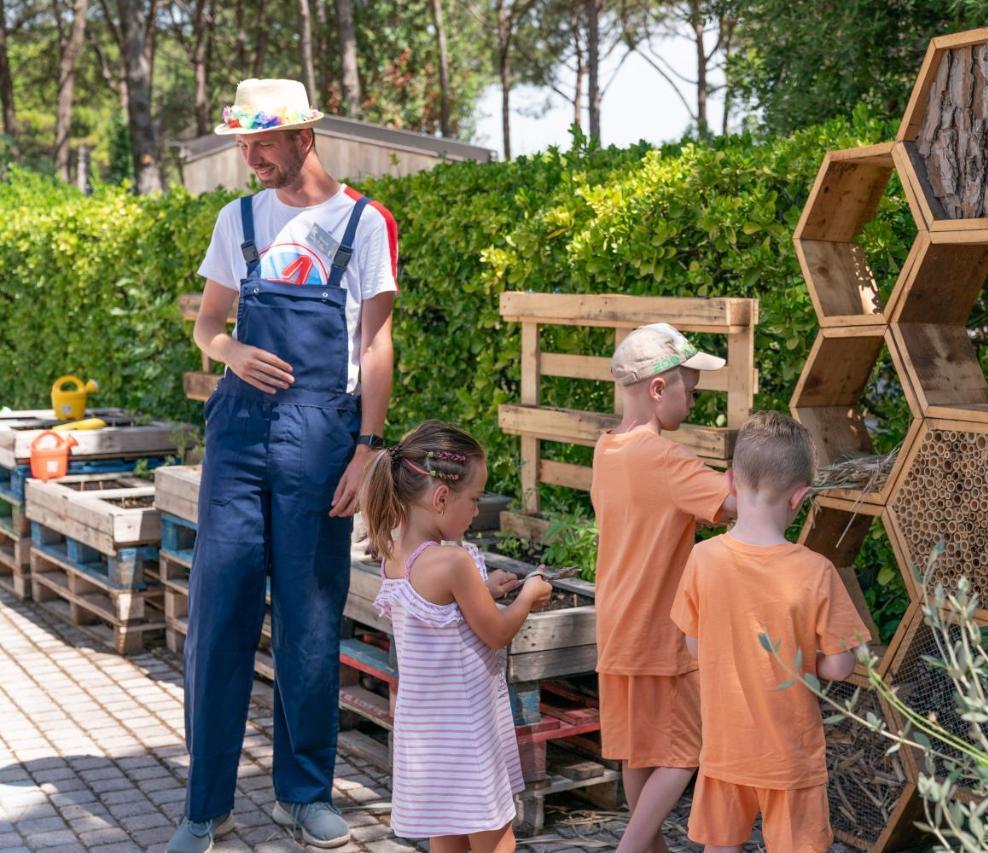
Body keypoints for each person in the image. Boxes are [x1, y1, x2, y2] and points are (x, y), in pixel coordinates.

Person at [170, 78, 401, 852]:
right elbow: (207, 323)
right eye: (243, 143)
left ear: (306, 136)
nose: (251, 157)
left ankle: (303, 794)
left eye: (262, 142)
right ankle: (206, 806)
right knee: (220, 613)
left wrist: (368, 449)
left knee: (308, 622)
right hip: (237, 438)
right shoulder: (235, 218)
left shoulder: (364, 222)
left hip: (321, 439)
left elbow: (374, 343)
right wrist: (231, 348)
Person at [671, 411, 870, 853]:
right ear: (800, 497)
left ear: (730, 483)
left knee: (720, 846)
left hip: (726, 750)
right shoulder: (816, 572)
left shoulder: (704, 559)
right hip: (791, 757)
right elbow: (840, 666)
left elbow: (693, 644)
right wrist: (803, 657)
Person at [364, 422, 552, 852]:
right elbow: (497, 632)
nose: (476, 509)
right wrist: (528, 596)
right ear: (441, 497)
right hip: (466, 733)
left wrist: (485, 593)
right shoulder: (453, 563)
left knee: (447, 834)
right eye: (474, 498)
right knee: (496, 839)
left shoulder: (395, 550)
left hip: (427, 734)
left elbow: (434, 613)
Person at [590, 323, 737, 853]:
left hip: (618, 631)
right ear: (658, 389)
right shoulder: (666, 459)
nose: (693, 400)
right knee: (685, 753)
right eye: (689, 389)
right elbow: (738, 502)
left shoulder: (607, 448)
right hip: (662, 636)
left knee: (640, 753)